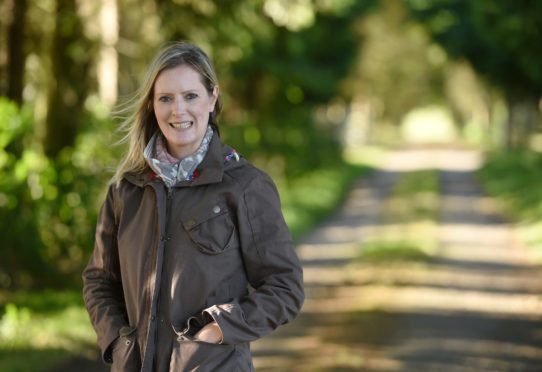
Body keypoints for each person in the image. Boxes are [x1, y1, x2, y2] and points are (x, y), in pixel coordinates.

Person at [82, 41, 304, 372]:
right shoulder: (125, 189)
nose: (178, 110)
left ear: (212, 97)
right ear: (151, 106)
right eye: (166, 98)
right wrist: (117, 342)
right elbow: (100, 280)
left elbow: (285, 287)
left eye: (190, 96)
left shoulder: (244, 186)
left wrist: (220, 330)